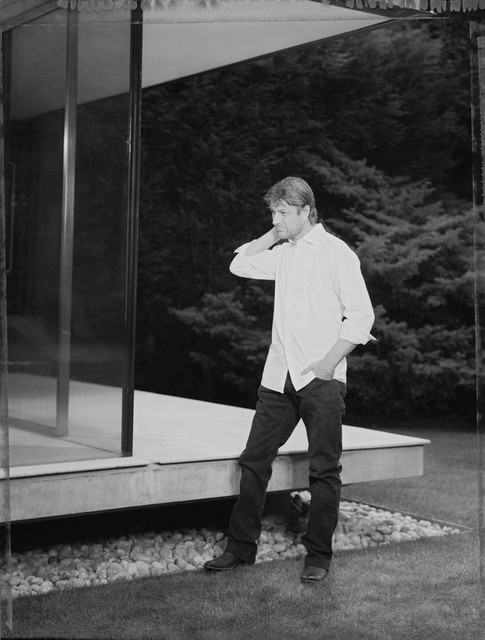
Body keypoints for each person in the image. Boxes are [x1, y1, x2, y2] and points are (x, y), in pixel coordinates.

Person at [204, 176, 375, 583]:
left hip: (320, 379)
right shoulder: (283, 253)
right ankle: (240, 548)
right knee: (254, 460)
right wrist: (276, 232)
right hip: (278, 378)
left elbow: (361, 316)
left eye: (282, 212)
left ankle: (318, 556)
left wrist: (329, 363)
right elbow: (239, 263)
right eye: (273, 212)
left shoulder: (337, 254)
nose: (275, 219)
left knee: (324, 469)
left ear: (306, 210)